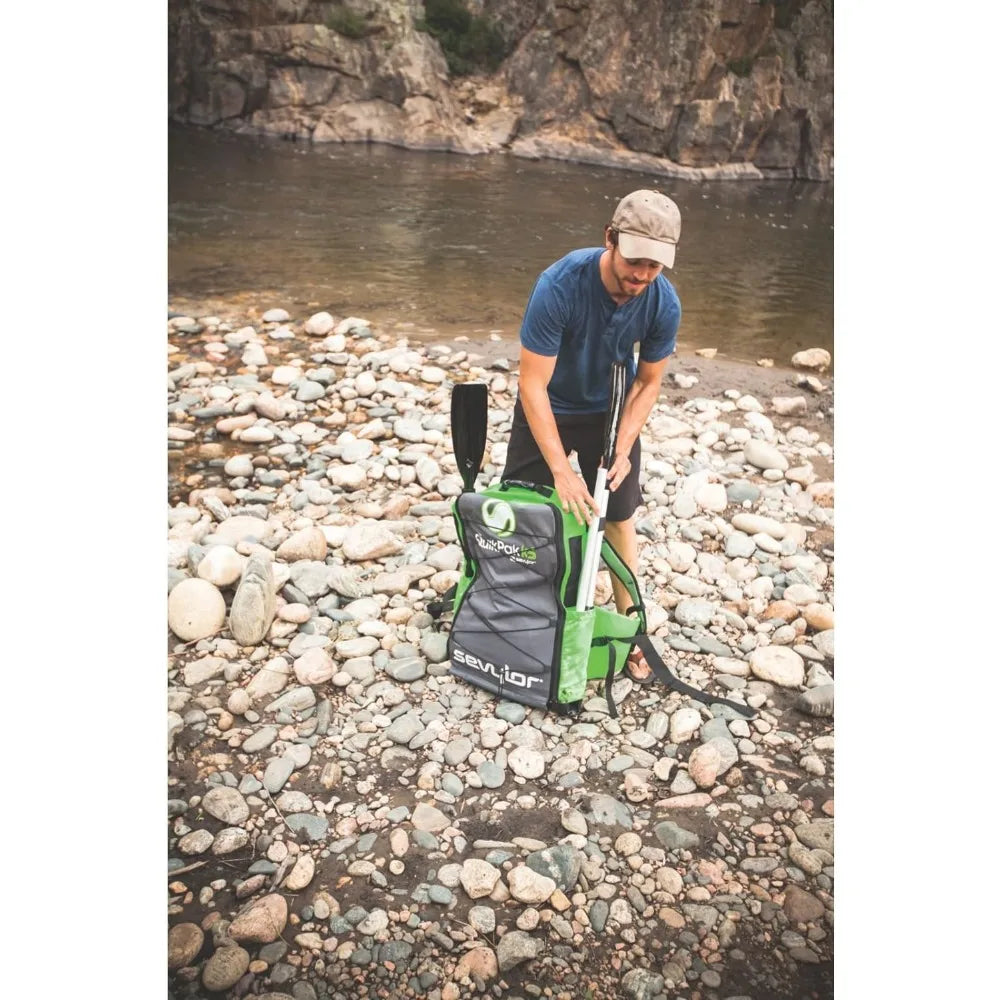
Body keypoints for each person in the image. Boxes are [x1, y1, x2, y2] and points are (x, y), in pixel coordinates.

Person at [501, 189, 682, 685]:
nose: (642, 276)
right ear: (610, 238)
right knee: (524, 511)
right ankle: (514, 612)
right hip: (549, 405)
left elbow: (648, 383)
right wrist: (561, 471)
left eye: (655, 266)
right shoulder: (559, 285)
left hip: (609, 410)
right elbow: (531, 383)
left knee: (619, 515)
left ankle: (631, 629)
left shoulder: (662, 302)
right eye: (634, 261)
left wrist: (622, 447)